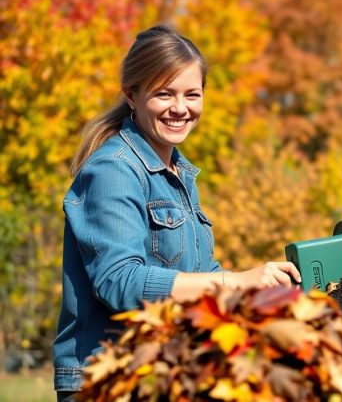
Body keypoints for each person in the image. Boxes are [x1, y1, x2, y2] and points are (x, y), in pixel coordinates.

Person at [53, 24, 301, 400]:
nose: (180, 108)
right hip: (110, 382)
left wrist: (263, 290)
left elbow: (195, 276)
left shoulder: (179, 172)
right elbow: (119, 283)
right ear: (131, 96)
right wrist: (234, 282)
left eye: (192, 94)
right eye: (164, 94)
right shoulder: (114, 170)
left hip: (166, 373)